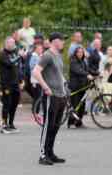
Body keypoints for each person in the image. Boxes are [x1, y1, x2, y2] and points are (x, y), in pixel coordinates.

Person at [32, 32, 67, 166]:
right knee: (48, 125)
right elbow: (35, 71)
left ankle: (50, 153)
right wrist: (45, 87)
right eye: (62, 40)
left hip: (60, 95)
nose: (63, 42)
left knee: (55, 126)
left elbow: (59, 74)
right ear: (55, 41)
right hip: (51, 96)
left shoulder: (58, 55)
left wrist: (64, 87)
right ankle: (42, 155)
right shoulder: (47, 55)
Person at [0, 37, 24, 134]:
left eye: (13, 43)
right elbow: (9, 63)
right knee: (7, 104)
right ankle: (4, 125)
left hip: (15, 83)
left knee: (14, 104)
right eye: (9, 43)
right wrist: (19, 56)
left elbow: (18, 68)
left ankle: (11, 123)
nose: (11, 45)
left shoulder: (15, 53)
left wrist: (21, 80)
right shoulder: (2, 53)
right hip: (6, 84)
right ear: (6, 44)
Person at [68, 46, 93, 129]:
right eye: (78, 52)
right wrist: (87, 75)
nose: (80, 54)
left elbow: (88, 70)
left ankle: (78, 123)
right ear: (75, 53)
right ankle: (71, 122)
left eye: (82, 52)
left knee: (82, 105)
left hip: (82, 86)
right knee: (75, 105)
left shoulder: (83, 62)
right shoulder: (73, 61)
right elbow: (78, 70)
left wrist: (97, 73)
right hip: (75, 86)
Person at [29, 43, 44, 114]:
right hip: (35, 80)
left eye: (41, 49)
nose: (41, 50)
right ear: (36, 50)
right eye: (39, 49)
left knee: (39, 95)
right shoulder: (34, 56)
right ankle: (35, 111)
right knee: (37, 96)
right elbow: (31, 66)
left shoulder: (40, 56)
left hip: (39, 79)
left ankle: (36, 110)